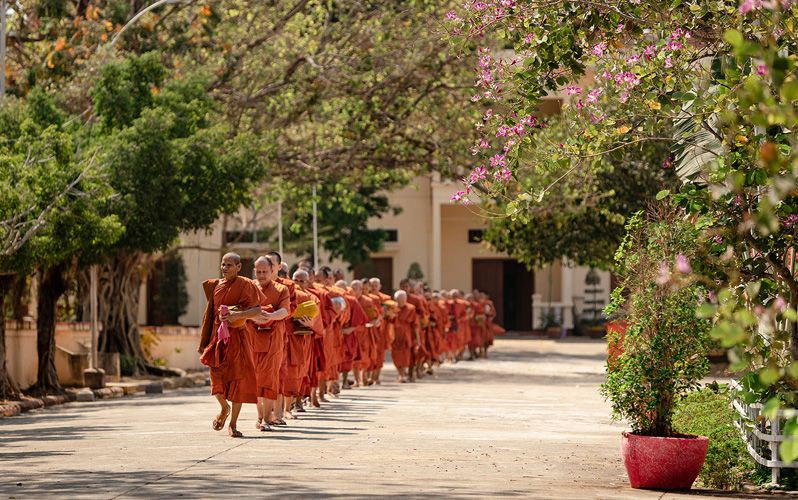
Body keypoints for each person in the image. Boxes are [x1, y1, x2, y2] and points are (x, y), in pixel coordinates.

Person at [198, 253, 265, 438]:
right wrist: (205, 340)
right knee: (215, 375)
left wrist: (236, 316)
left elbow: (258, 309)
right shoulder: (215, 285)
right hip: (217, 337)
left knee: (238, 380)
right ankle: (224, 407)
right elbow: (210, 314)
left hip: (239, 338)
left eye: (229, 265)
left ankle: (233, 424)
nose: (225, 268)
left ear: (239, 267)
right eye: (223, 264)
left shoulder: (246, 284)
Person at [249, 256, 291, 431]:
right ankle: (260, 416)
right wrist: (253, 316)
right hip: (252, 338)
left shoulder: (281, 289)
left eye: (264, 272)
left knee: (269, 378)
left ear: (273, 270)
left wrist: (271, 316)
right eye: (257, 272)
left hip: (273, 339)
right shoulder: (249, 288)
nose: (260, 275)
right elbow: (240, 309)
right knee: (255, 379)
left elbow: (285, 310)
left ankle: (267, 418)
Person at [282, 269, 323, 418]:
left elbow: (318, 322)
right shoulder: (285, 293)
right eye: (296, 280)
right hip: (283, 337)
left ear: (308, 282)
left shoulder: (312, 298)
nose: (298, 284)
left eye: (301, 281)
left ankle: (297, 402)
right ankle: (283, 407)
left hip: (302, 339)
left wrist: (311, 323)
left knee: (299, 372)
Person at [390, 290, 420, 383]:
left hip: (406, 335)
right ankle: (401, 373)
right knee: (395, 356)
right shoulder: (392, 307)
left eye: (403, 301)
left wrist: (418, 340)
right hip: (394, 334)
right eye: (399, 300)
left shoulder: (411, 308)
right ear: (395, 300)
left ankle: (401, 375)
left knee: (405, 356)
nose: (401, 303)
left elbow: (415, 325)